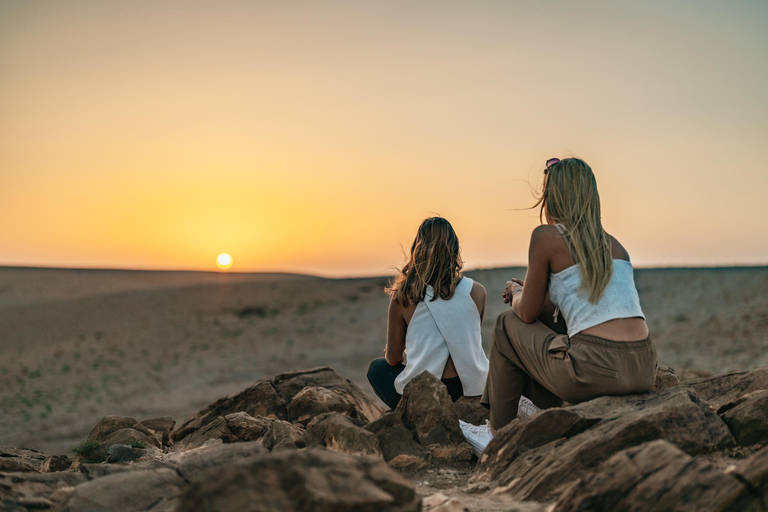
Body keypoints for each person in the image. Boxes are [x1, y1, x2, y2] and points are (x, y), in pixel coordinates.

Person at [460, 157, 657, 456]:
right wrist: (534, 294)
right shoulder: (617, 247)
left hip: (594, 371)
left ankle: (495, 436)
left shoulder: (546, 237)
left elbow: (524, 313)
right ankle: (535, 407)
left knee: (505, 324)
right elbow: (580, 308)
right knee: (550, 320)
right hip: (644, 368)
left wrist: (516, 291)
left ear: (554, 197)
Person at [366, 216, 489, 410]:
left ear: (418, 250)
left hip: (428, 394)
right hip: (469, 388)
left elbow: (393, 359)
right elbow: (466, 342)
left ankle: (411, 420)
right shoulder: (477, 291)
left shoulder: (405, 295)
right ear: (455, 250)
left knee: (377, 368)